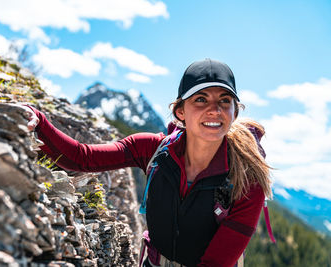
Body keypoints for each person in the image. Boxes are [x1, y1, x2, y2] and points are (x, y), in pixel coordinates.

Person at [22, 59, 272, 267]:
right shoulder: (154, 150)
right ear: (180, 112)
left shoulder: (247, 179)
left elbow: (215, 263)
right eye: (201, 99)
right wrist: (39, 121)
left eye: (224, 101)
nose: (214, 110)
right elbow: (82, 158)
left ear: (234, 112)